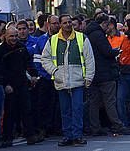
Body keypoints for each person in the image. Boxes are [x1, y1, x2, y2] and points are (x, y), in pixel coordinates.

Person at [41, 14, 96, 147]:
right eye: (64, 23)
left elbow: (89, 59)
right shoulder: (53, 40)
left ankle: (77, 135)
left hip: (77, 80)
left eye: (69, 22)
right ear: (60, 24)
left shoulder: (81, 38)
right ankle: (68, 136)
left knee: (77, 109)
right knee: (65, 110)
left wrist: (89, 77)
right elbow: (45, 59)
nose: (67, 25)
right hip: (61, 81)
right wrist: (54, 71)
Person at [85, 14, 130, 136]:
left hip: (92, 73)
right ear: (104, 23)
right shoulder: (99, 35)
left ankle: (95, 127)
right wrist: (115, 51)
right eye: (108, 25)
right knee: (109, 101)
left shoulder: (88, 34)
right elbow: (106, 52)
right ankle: (117, 125)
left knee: (94, 103)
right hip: (104, 73)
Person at [0, 24, 43, 146]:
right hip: (10, 86)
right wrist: (6, 84)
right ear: (5, 36)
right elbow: (0, 69)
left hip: (22, 83)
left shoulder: (21, 47)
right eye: (11, 36)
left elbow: (28, 63)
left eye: (15, 36)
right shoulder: (1, 50)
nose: (13, 38)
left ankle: (30, 135)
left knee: (27, 110)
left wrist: (33, 75)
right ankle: (7, 137)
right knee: (10, 112)